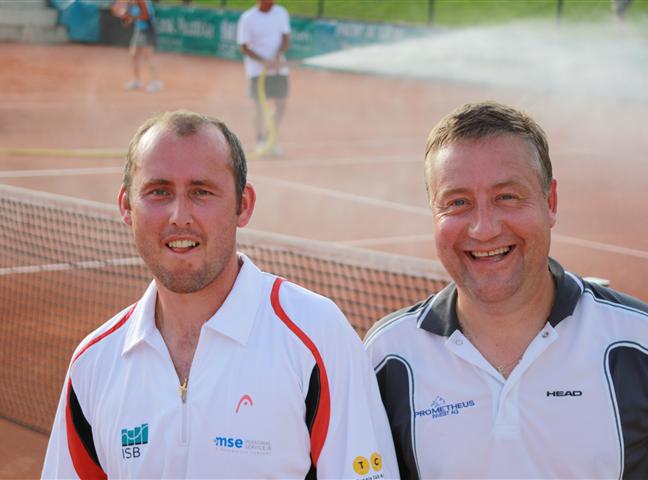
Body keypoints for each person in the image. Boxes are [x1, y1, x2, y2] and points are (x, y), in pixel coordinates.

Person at [42, 110, 399, 479]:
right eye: (159, 191)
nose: (179, 216)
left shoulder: (317, 336)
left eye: (201, 192)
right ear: (126, 206)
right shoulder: (92, 364)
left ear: (243, 205)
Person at [364, 101, 648, 479]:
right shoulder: (387, 356)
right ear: (433, 212)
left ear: (550, 202)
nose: (483, 229)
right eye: (457, 202)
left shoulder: (642, 342)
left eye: (507, 197)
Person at [237, 0, 290, 156]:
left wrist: (278, 55)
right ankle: (260, 141)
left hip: (279, 69)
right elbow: (244, 47)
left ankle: (270, 139)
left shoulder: (281, 12)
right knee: (259, 105)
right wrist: (264, 61)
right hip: (257, 71)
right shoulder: (248, 18)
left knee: (281, 104)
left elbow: (285, 39)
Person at [122, 0, 162, 92]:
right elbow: (129, 19)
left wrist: (131, 16)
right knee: (134, 55)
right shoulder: (132, 3)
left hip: (149, 30)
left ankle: (156, 82)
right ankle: (137, 81)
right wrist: (126, 19)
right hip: (139, 30)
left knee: (148, 56)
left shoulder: (143, 2)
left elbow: (145, 17)